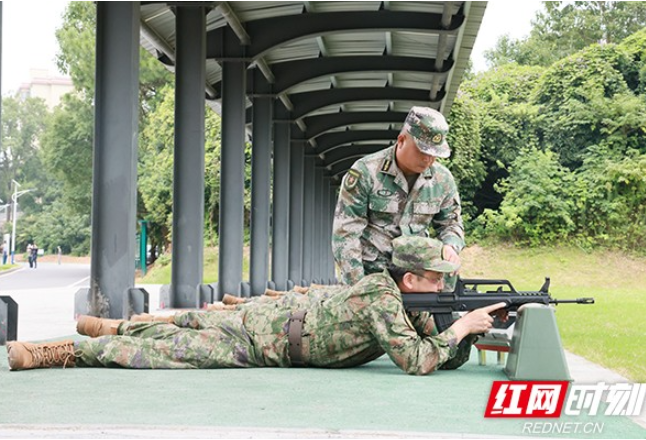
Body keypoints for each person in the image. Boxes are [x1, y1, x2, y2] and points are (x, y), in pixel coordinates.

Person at [6, 236, 505, 374]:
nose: (442, 286)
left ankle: (114, 328)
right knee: (171, 351)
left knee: (183, 333)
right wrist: (460, 327)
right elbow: (416, 361)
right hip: (265, 342)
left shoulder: (406, 302)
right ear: (412, 276)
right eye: (437, 280)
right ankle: (60, 351)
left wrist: (471, 329)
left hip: (274, 325)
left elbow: (436, 352)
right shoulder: (383, 294)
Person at [332, 106, 464, 287]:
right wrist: (357, 288)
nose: (429, 159)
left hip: (418, 278)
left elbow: (451, 223)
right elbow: (346, 235)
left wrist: (451, 245)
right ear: (401, 140)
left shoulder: (442, 180)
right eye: (423, 151)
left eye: (434, 153)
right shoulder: (366, 172)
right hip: (374, 275)